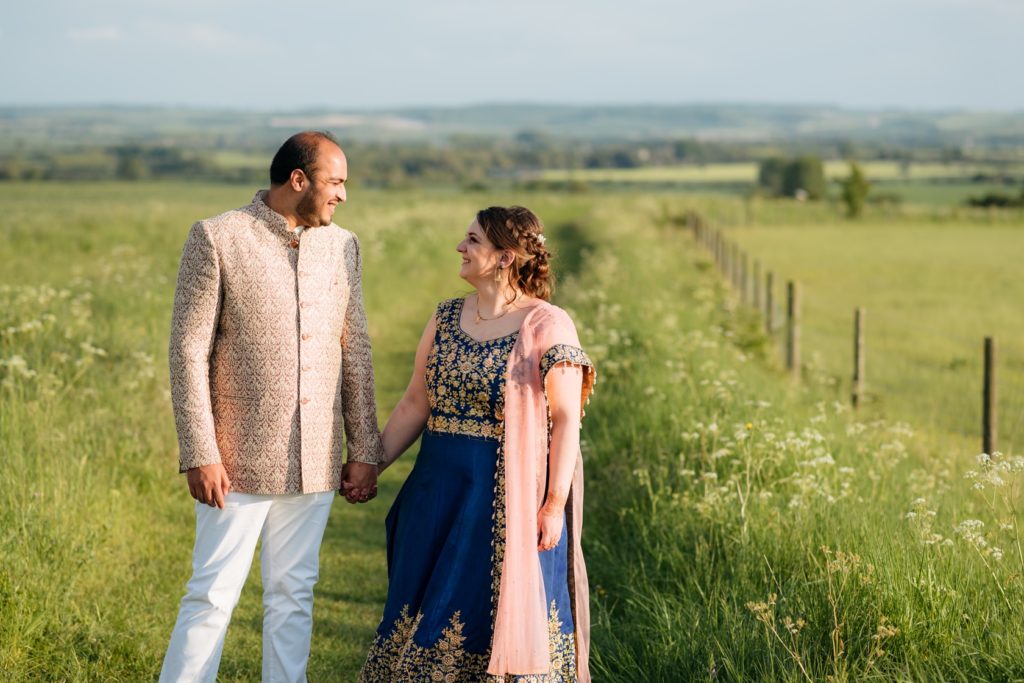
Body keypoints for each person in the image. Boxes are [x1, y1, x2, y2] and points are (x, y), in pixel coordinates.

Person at [161, 131, 384, 683]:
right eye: (335, 182)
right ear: (298, 180)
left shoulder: (343, 246)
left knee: (295, 594)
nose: (343, 196)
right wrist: (199, 451)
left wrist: (365, 449)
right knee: (212, 594)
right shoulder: (217, 237)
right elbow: (187, 351)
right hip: (234, 462)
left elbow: (353, 348)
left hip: (315, 457)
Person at [359, 206, 596, 682]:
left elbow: (567, 419)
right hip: (435, 491)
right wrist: (371, 464)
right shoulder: (446, 316)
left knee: (481, 613)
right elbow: (413, 403)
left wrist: (554, 504)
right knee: (418, 608)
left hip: (503, 500)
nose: (460, 248)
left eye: (472, 241)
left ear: (505, 258)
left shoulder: (547, 324)